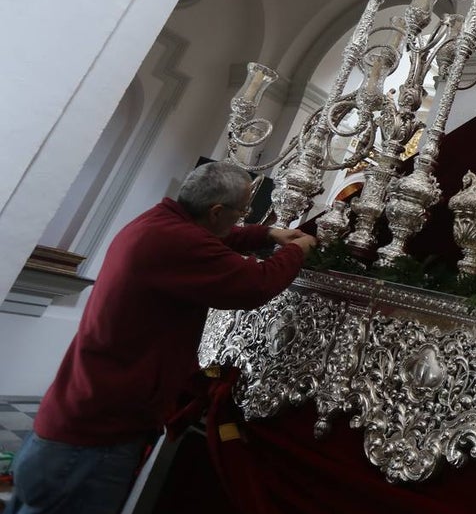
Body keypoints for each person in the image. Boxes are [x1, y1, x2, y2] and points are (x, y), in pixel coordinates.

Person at [9, 161, 316, 514]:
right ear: (216, 211)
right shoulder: (176, 242)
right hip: (97, 436)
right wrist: (295, 251)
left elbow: (214, 238)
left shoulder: (157, 223)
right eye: (241, 212)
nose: (240, 218)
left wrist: (267, 235)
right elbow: (253, 286)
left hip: (75, 416)